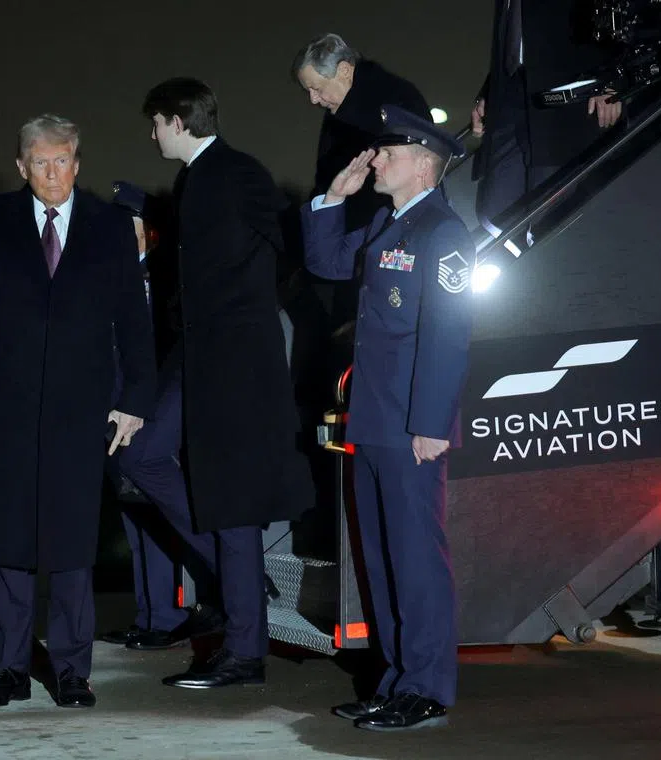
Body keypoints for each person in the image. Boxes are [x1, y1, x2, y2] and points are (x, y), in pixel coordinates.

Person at [0, 115, 157, 709]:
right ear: (22, 166)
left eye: (62, 159)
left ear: (77, 162)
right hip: (1, 410)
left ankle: (71, 671)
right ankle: (10, 669)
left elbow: (133, 322)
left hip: (78, 410)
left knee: (69, 545)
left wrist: (134, 400)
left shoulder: (110, 226)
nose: (52, 173)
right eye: (40, 162)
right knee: (8, 543)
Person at [137, 78, 315, 689]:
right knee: (141, 452)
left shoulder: (237, 172)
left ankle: (245, 651)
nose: (152, 134)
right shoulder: (194, 180)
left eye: (155, 123)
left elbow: (287, 246)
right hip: (197, 355)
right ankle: (237, 582)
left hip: (234, 362)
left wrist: (249, 320)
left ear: (177, 121)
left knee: (234, 503)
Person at [301, 105, 474, 731]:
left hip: (411, 428)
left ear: (423, 163)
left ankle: (426, 686)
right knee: (379, 558)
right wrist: (331, 198)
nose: (374, 160)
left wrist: (431, 422)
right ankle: (396, 678)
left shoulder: (444, 234)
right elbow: (325, 264)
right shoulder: (386, 223)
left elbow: (448, 337)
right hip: (371, 419)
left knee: (416, 559)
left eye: (387, 153)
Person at [99, 181, 213, 651]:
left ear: (149, 233)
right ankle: (151, 614)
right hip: (114, 408)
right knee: (134, 516)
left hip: (146, 412)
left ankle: (168, 615)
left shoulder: (161, 282)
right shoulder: (113, 281)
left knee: (160, 513)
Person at [293, 33, 431, 334]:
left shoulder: (391, 103)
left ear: (344, 70)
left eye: (316, 88)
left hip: (380, 248)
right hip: (353, 245)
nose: (313, 100)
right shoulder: (348, 108)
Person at [472, 0, 623, 235]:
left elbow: (617, 15)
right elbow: (516, 39)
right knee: (495, 214)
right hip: (511, 97)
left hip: (563, 104)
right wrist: (488, 93)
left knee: (549, 219)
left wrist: (612, 79)